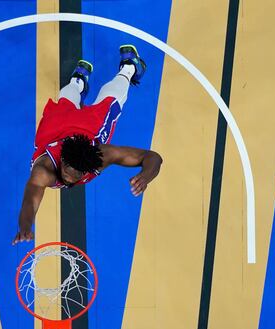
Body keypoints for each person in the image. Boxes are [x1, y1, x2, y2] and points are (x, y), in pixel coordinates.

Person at [13, 45, 163, 244]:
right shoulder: (44, 171)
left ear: (88, 169)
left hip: (87, 129)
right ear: (62, 160)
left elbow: (152, 157)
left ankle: (127, 69)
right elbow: (30, 201)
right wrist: (25, 227)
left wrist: (146, 176)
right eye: (67, 172)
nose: (68, 179)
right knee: (65, 101)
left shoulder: (101, 155)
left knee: (111, 101)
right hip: (58, 128)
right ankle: (79, 81)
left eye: (76, 176)